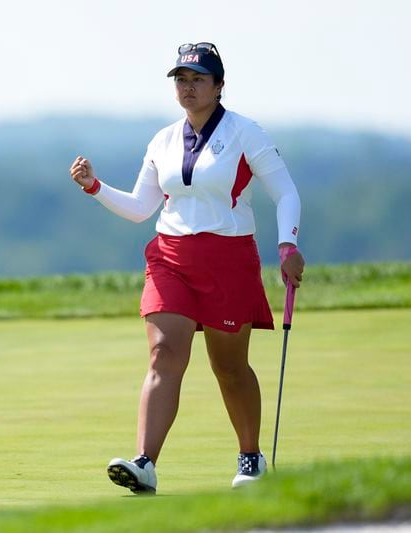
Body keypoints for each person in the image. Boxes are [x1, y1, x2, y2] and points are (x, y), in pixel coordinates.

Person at [68, 42, 305, 493]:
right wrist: (94, 186)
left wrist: (288, 244)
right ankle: (145, 464)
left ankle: (251, 458)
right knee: (163, 354)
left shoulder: (245, 133)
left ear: (219, 86)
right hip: (171, 257)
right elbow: (142, 207)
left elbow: (286, 193)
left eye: (198, 79)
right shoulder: (162, 139)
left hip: (229, 260)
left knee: (229, 366)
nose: (188, 87)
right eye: (181, 79)